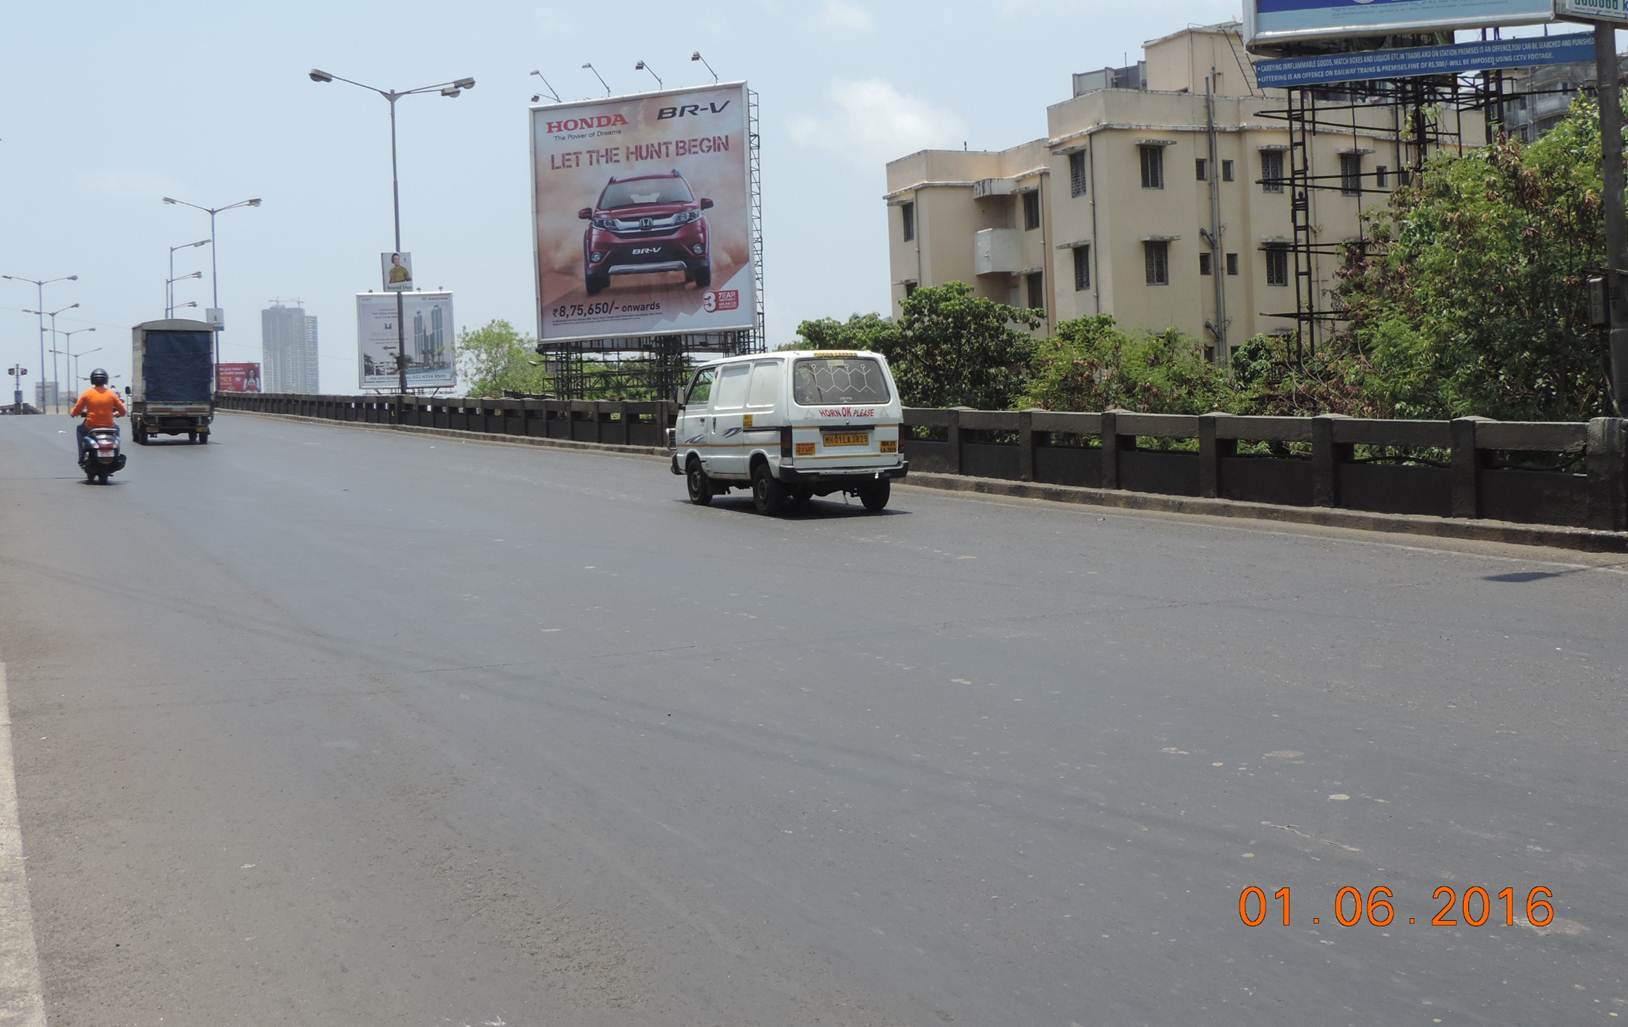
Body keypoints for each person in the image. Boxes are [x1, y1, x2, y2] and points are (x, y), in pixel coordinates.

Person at [69, 368, 126, 461]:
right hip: (109, 426)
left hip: (91, 426)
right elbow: (123, 412)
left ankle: (82, 456)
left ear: (92, 380)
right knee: (117, 429)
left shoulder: (87, 393)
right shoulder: (111, 394)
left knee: (79, 430)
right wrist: (116, 414)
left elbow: (76, 411)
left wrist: (73, 413)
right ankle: (116, 454)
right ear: (106, 380)